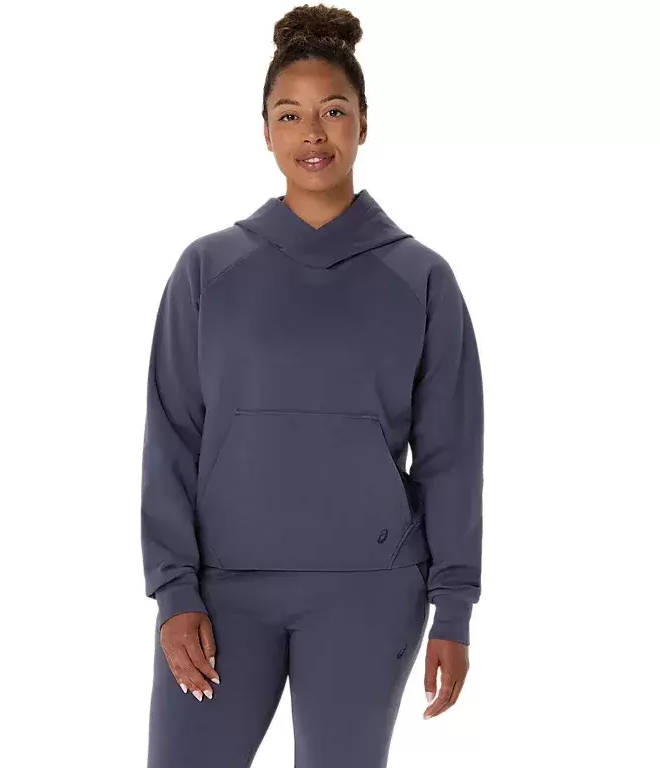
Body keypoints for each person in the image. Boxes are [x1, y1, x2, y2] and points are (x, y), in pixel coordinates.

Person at [140, 4, 484, 766]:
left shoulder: (421, 278)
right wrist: (174, 591)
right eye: (289, 115)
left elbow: (452, 456)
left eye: (333, 110)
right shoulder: (208, 270)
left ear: (363, 123)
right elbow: (172, 436)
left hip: (370, 594)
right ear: (265, 131)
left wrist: (455, 607)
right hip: (223, 591)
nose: (313, 133)